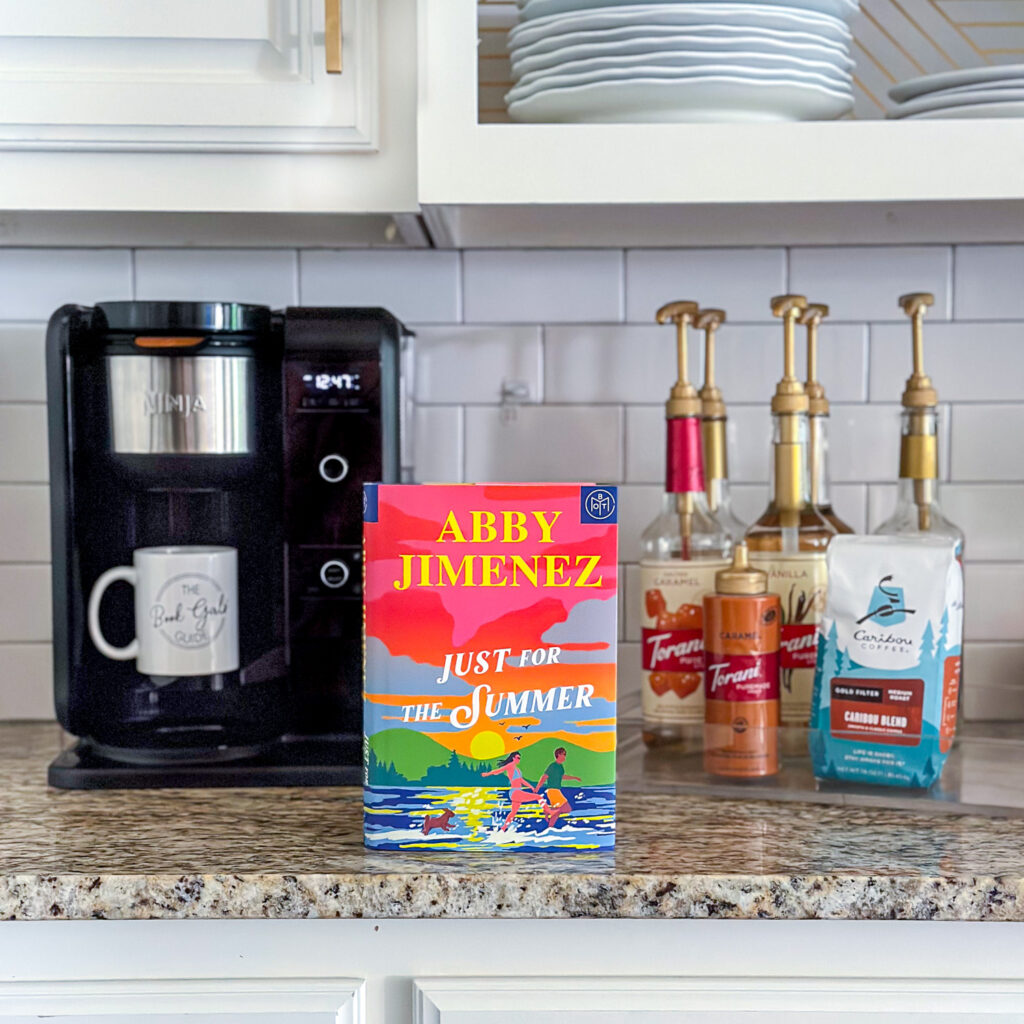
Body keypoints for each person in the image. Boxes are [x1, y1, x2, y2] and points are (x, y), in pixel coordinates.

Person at [481, 751, 545, 831]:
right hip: (516, 792)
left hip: (517, 792)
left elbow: (521, 780)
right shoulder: (510, 766)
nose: (519, 760)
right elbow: (498, 771)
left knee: (513, 813)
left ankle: (503, 829)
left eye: (519, 758)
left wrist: (531, 787)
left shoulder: (517, 769)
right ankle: (549, 811)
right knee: (538, 797)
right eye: (517, 758)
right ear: (513, 758)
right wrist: (487, 774)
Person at [536, 747, 581, 827]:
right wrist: (537, 788)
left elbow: (562, 777)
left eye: (565, 755)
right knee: (567, 809)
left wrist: (574, 778)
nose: (564, 756)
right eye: (563, 754)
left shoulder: (560, 767)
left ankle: (550, 828)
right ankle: (548, 811)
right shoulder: (553, 766)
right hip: (553, 791)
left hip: (555, 791)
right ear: (558, 755)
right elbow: (544, 777)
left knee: (556, 813)